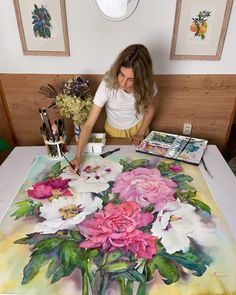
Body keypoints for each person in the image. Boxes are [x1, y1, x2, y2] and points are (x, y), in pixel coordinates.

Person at [71, 44, 158, 171]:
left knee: (139, 169)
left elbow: (151, 109)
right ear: (117, 70)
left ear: (141, 78)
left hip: (139, 128)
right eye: (121, 75)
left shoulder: (148, 85)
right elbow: (89, 124)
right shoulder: (107, 84)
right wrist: (78, 157)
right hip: (113, 131)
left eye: (131, 79)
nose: (123, 83)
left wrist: (141, 133)